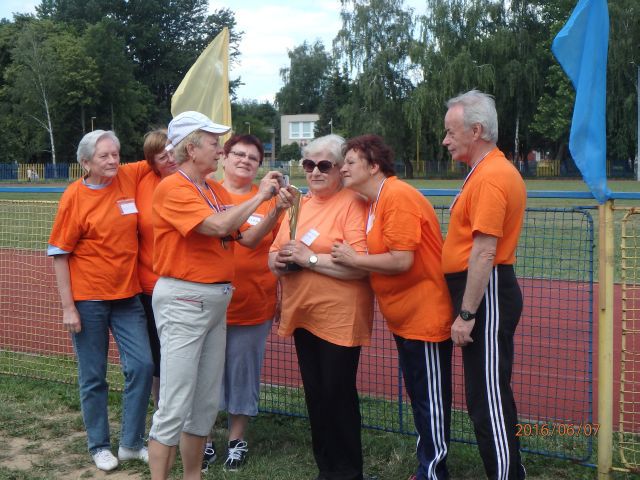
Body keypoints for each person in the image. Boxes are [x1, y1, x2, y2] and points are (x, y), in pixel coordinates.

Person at [148, 111, 288, 480]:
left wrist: (275, 209)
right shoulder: (173, 187)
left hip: (214, 300)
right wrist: (261, 195)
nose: (220, 150)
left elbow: (248, 239)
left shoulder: (213, 190)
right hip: (185, 299)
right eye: (213, 143)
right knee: (175, 402)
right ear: (190, 149)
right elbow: (218, 225)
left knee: (205, 403)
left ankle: (192, 475)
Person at [332, 134, 453, 480]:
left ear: (373, 166)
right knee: (420, 395)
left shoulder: (397, 196)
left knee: (429, 398)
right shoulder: (376, 200)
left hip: (425, 315)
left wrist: (356, 259)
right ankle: (427, 465)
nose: (342, 169)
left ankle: (433, 472)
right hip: (406, 317)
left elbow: (402, 260)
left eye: (350, 162)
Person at [268, 134, 374, 480]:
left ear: (340, 168)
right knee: (316, 396)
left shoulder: (353, 203)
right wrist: (278, 262)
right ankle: (326, 469)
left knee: (337, 395)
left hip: (339, 316)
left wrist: (309, 259)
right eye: (309, 164)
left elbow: (359, 265)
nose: (315, 171)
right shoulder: (299, 204)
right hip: (303, 313)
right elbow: (275, 252)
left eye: (324, 165)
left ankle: (348, 472)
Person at [48, 130, 154, 472]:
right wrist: (68, 307)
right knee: (93, 375)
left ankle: (131, 443)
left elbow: (160, 154)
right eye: (104, 156)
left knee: (142, 366)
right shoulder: (74, 197)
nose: (113, 161)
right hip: (88, 299)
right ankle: (99, 445)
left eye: (115, 154)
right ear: (86, 163)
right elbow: (60, 254)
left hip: (127, 297)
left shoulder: (127, 175)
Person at [441, 90, 527, 479]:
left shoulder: (492, 176)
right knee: (483, 393)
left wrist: (466, 313)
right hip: (482, 292)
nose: (445, 140)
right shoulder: (484, 171)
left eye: (450, 131)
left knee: (487, 396)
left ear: (476, 131)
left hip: (485, 293)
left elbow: (484, 251)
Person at [200, 134, 286, 472]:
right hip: (209, 302)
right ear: (224, 157)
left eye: (253, 158)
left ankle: (236, 440)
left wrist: (281, 297)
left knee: (242, 372)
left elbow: (276, 250)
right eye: (238, 154)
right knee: (204, 374)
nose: (245, 161)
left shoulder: (269, 201)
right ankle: (204, 439)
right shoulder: (207, 192)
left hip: (253, 302)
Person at [136, 129, 179, 409]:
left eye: (172, 151)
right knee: (155, 351)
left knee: (179, 352)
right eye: (162, 157)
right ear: (152, 163)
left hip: (182, 283)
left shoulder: (190, 181)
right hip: (150, 285)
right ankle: (160, 406)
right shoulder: (142, 182)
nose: (170, 159)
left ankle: (182, 409)